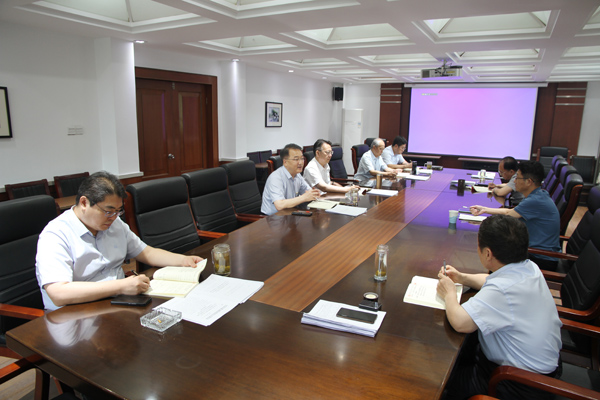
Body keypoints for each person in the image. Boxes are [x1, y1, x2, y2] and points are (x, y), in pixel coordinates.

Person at [36, 171, 203, 310]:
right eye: (108, 211)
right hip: (76, 313)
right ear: (84, 202)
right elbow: (58, 293)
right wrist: (121, 286)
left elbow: (146, 252)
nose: (113, 217)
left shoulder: (115, 224)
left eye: (118, 211)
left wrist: (183, 260)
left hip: (118, 302)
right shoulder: (56, 234)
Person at [437, 215, 562, 400]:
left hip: (517, 383)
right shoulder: (528, 267)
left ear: (488, 254)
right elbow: (490, 281)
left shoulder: (503, 290)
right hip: (537, 372)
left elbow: (460, 322)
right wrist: (462, 278)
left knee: (440, 379)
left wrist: (449, 292)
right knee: (464, 349)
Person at [470, 161, 560, 270]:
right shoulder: (539, 194)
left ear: (529, 182)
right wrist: (485, 209)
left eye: (517, 178)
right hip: (535, 252)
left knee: (493, 253)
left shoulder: (536, 200)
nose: (514, 181)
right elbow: (512, 211)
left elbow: (509, 214)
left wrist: (485, 212)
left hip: (540, 258)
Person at [261, 143, 321, 215]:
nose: (300, 163)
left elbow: (308, 192)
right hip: (272, 218)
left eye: (302, 158)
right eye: (296, 159)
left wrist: (313, 194)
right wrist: (304, 197)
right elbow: (279, 205)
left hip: (290, 213)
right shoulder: (275, 178)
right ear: (285, 162)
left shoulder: (297, 175)